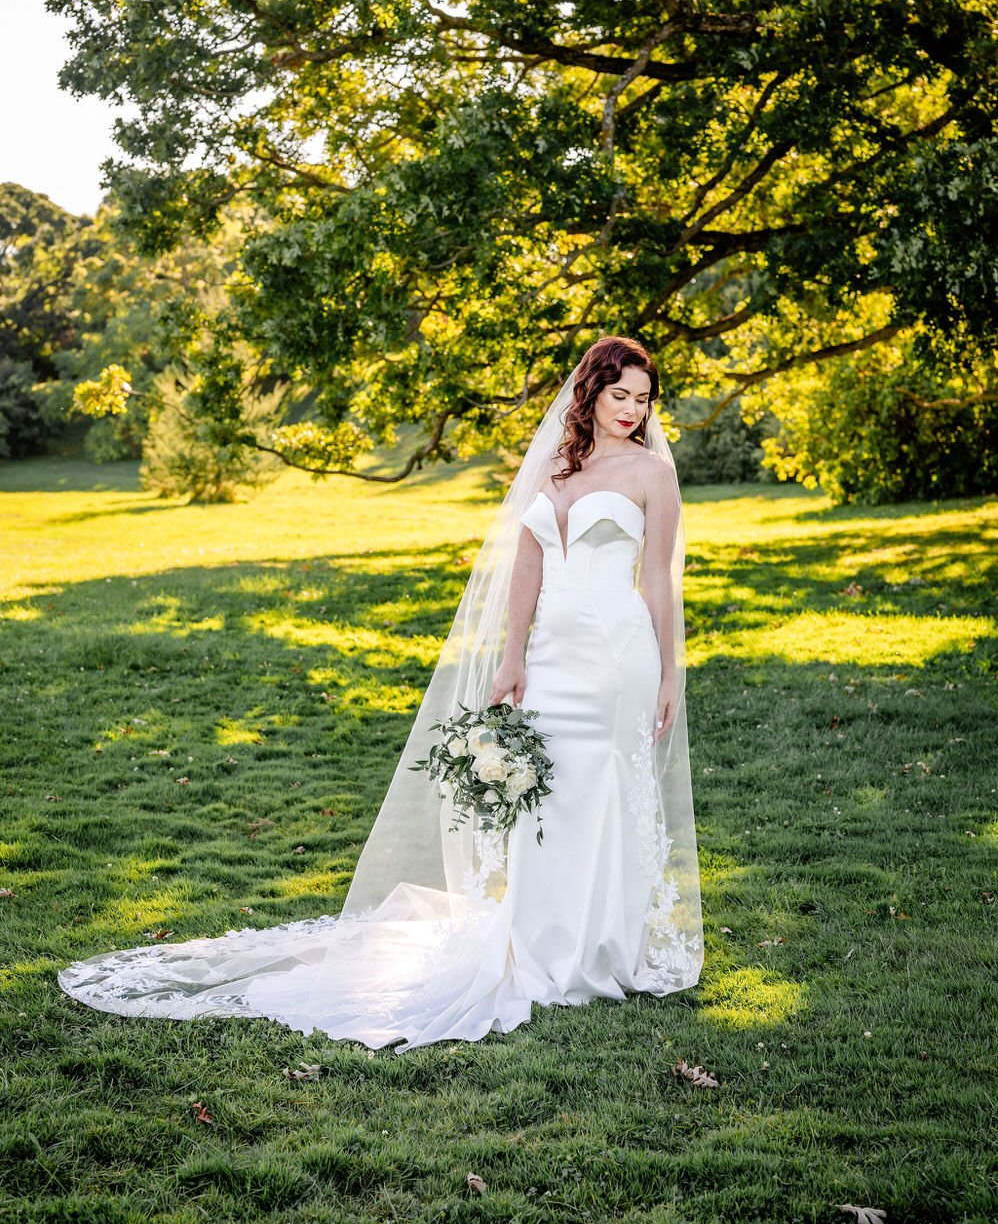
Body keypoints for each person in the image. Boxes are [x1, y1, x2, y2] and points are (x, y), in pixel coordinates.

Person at [57, 335, 703, 1051]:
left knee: (604, 789)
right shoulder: (554, 466)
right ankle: (540, 940)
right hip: (550, 655)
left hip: (617, 655)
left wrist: (669, 672)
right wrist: (511, 658)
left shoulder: (651, 473)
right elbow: (526, 566)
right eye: (621, 396)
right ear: (590, 393)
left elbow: (658, 582)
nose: (632, 410)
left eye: (643, 399)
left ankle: (601, 949)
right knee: (545, 794)